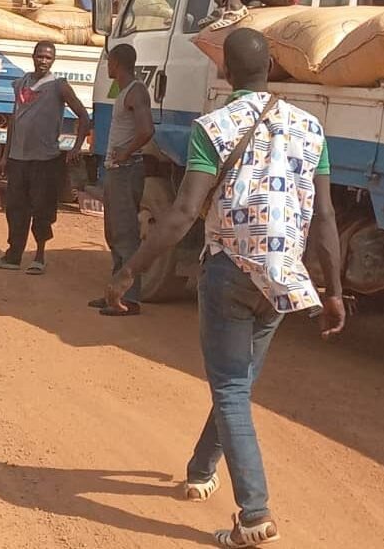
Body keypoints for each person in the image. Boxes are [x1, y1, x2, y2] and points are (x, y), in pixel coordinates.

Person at [105, 29, 345, 548]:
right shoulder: (311, 128)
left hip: (231, 270)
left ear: (224, 72)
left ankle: (255, 514)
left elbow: (183, 213)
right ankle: (200, 469)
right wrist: (334, 292)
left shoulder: (213, 127)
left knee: (232, 387)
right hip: (283, 276)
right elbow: (325, 217)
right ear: (272, 69)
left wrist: (129, 270)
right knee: (237, 381)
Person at [0, 41, 91, 274]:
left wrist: (76, 147)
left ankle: (39, 257)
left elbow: (84, 116)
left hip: (45, 160)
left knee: (43, 210)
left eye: (48, 57)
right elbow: (14, 120)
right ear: (33, 57)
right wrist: (5, 156)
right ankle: (13, 256)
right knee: (15, 208)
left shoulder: (59, 86)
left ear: (53, 60)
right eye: (40, 56)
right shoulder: (21, 83)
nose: (43, 61)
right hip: (18, 158)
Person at [85, 44, 154, 316]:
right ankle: (114, 292)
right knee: (114, 233)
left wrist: (125, 152)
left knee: (125, 234)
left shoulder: (136, 92)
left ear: (115, 63)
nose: (108, 67)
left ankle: (129, 299)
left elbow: (146, 130)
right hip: (117, 170)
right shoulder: (124, 91)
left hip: (126, 170)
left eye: (109, 63)